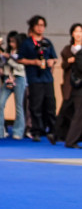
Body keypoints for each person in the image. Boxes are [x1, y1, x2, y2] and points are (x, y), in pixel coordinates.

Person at [17, 15, 58, 143]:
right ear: (33, 26)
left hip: (47, 77)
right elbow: (19, 59)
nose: (40, 28)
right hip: (34, 77)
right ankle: (36, 131)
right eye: (38, 25)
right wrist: (33, 62)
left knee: (50, 104)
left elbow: (54, 58)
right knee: (36, 105)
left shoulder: (47, 42)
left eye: (42, 25)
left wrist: (52, 62)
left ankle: (52, 130)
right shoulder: (27, 43)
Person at [55, 23, 82, 142]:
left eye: (81, 31)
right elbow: (63, 65)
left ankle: (76, 135)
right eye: (76, 31)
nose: (78, 34)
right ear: (72, 34)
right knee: (65, 108)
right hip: (70, 83)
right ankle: (57, 133)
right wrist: (69, 61)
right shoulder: (67, 49)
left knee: (79, 110)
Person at [0, 32, 27, 139]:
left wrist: (9, 59)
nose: (11, 44)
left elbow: (21, 67)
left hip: (19, 78)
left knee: (19, 106)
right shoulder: (7, 51)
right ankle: (1, 131)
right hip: (8, 78)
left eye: (14, 42)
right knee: (1, 103)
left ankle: (18, 131)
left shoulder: (22, 53)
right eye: (10, 42)